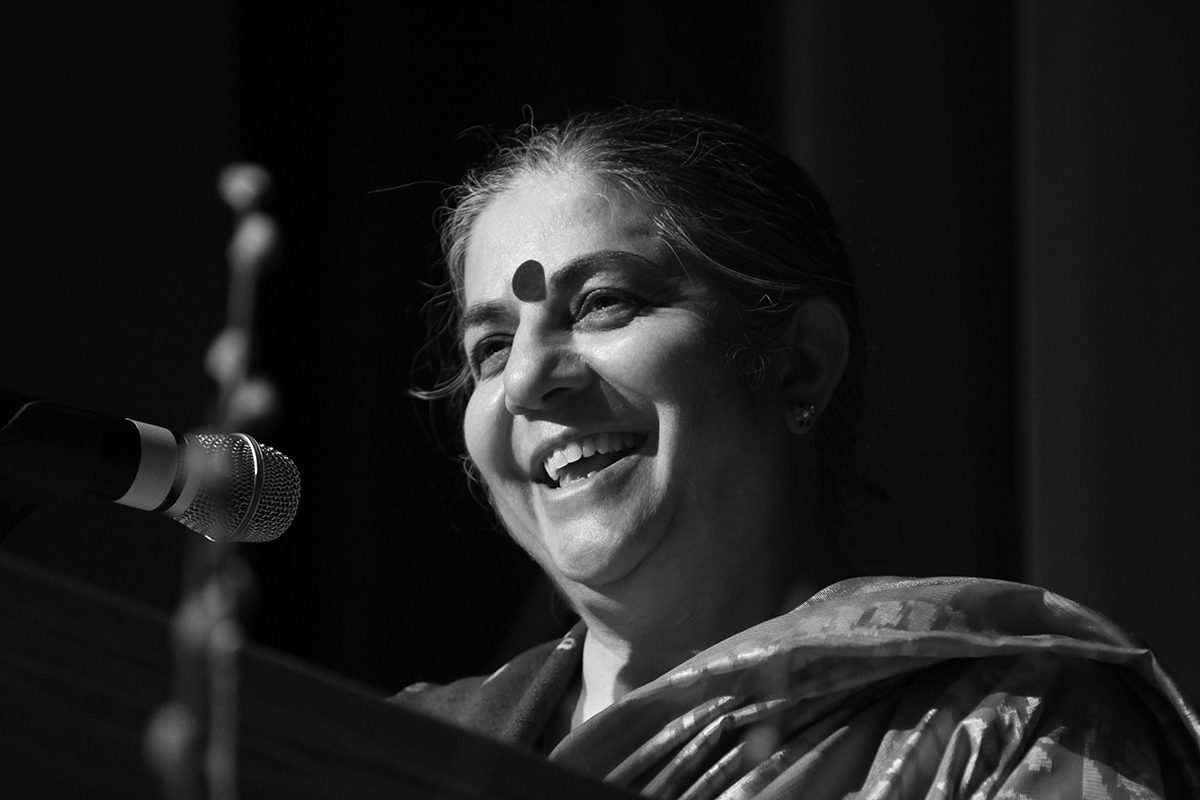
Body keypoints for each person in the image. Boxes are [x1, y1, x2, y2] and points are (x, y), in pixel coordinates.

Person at [394, 107, 1200, 799]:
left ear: (802, 361)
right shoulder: (391, 755)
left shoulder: (1006, 724)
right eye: (492, 348)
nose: (529, 379)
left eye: (605, 303)